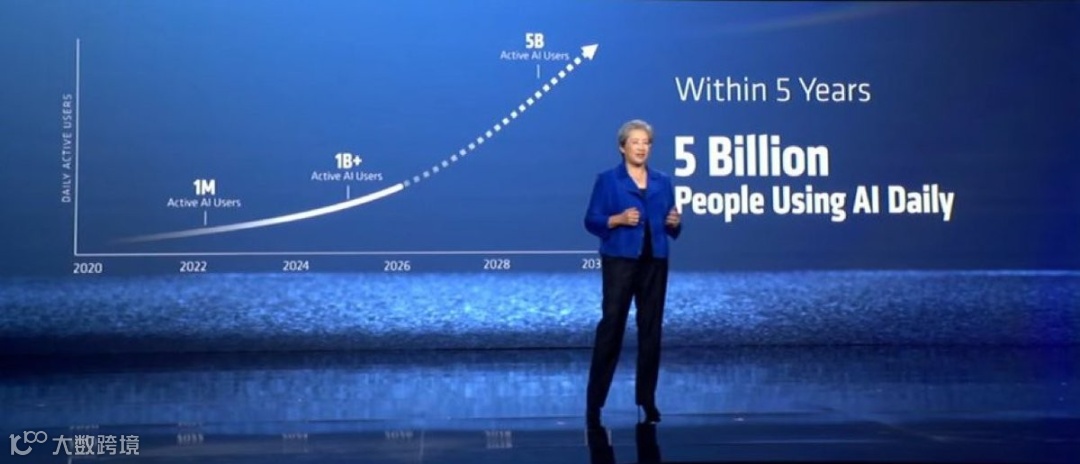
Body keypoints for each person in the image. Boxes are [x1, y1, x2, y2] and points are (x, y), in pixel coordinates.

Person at [583, 119, 682, 429]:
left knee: (651, 330)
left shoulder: (663, 181)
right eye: (635, 142)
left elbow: (671, 225)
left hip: (655, 262)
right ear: (622, 147)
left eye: (646, 142)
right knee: (611, 327)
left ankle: (646, 399)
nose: (641, 147)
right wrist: (618, 219)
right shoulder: (608, 180)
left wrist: (675, 222)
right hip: (621, 261)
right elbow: (591, 220)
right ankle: (595, 401)